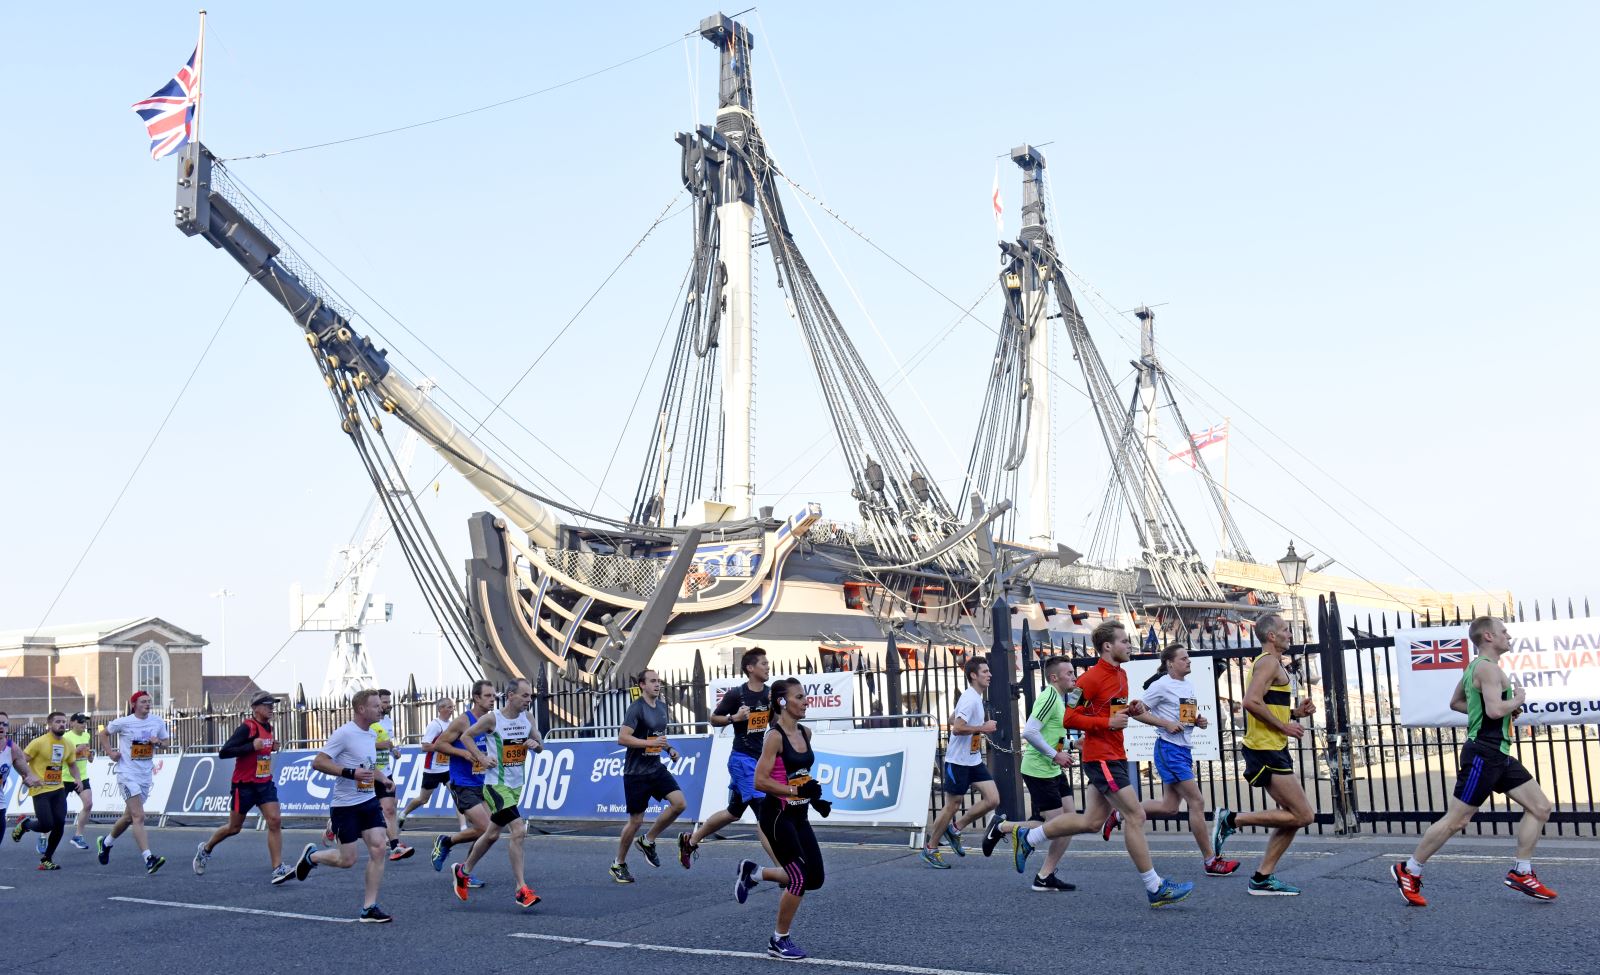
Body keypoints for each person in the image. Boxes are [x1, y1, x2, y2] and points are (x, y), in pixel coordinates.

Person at [1008, 621, 1195, 907]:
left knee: (1092, 822)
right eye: (1124, 641)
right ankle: (1154, 887)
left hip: (1115, 754)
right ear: (1107, 646)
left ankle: (1029, 837)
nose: (1129, 645)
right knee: (1136, 816)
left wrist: (1135, 712)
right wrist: (1106, 722)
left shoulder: (1121, 676)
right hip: (1101, 757)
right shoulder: (1089, 679)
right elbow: (1071, 718)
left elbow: (1120, 715)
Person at [1392, 616, 1556, 906]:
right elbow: (1494, 711)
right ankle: (1409, 868)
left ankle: (1522, 871)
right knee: (1458, 820)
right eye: (1503, 631)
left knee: (1541, 807)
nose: (1509, 636)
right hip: (1483, 753)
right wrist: (1516, 700)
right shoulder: (1487, 669)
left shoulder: (1474, 668)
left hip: (1499, 754)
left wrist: (1501, 711)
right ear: (1488, 637)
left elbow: (1456, 703)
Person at [1212, 613, 1318, 895]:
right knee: (1304, 815)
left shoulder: (1272, 664)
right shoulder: (1269, 662)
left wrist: (1295, 713)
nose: (1289, 634)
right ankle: (1232, 819)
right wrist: (1284, 725)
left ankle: (1262, 877)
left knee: (1292, 816)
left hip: (1273, 746)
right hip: (1265, 748)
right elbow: (1250, 701)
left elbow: (1267, 703)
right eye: (1285, 630)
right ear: (1272, 636)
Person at [733, 678, 830, 960]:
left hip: (800, 815)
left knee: (815, 879)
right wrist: (796, 790)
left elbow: (799, 775)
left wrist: (815, 797)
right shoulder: (774, 737)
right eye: (799, 697)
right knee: (798, 878)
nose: (805, 701)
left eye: (805, 696)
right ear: (783, 702)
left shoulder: (805, 732)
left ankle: (754, 873)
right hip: (776, 816)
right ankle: (779, 940)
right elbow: (760, 781)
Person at [1129, 644, 1239, 877]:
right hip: (1169, 749)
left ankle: (1122, 813)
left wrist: (1197, 721)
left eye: (1188, 658)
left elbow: (1184, 715)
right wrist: (1166, 724)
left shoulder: (1187, 685)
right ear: (1170, 663)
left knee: (1169, 808)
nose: (1189, 661)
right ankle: (1211, 861)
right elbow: (1138, 712)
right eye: (1183, 658)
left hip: (1182, 749)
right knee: (1197, 802)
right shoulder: (1160, 685)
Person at [294, 688, 394, 922]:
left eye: (381, 705)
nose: (381, 709)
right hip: (345, 806)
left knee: (379, 847)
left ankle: (369, 908)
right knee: (347, 860)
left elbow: (366, 765)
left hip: (368, 800)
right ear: (361, 709)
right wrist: (350, 773)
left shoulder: (371, 734)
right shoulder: (344, 734)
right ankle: (312, 856)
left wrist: (382, 778)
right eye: (376, 706)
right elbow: (318, 762)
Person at [982, 655, 1077, 890]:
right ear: (1054, 677)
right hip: (1038, 770)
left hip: (1051, 769)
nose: (1073, 677)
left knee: (1071, 822)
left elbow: (1049, 737)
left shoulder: (1058, 699)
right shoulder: (1048, 697)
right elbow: (1030, 732)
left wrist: (1072, 746)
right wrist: (1055, 755)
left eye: (1073, 672)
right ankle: (1003, 828)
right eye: (1069, 673)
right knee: (1058, 824)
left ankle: (1045, 876)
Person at [450, 677, 544, 908]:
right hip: (495, 786)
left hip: (515, 786)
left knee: (491, 834)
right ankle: (521, 889)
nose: (528, 700)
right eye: (524, 695)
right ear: (510, 696)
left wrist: (535, 745)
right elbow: (465, 736)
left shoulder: (527, 717)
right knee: (519, 830)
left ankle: (463, 871)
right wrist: (481, 758)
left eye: (530, 696)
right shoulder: (492, 719)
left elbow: (540, 744)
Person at [680, 647, 771, 868]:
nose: (768, 667)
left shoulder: (769, 693)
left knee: (733, 813)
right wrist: (734, 717)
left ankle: (690, 841)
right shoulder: (737, 694)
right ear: (750, 668)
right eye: (764, 664)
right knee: (765, 815)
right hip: (742, 760)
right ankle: (784, 870)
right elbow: (713, 719)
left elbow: (775, 723)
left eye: (768, 664)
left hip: (758, 760)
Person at [193, 692, 290, 883]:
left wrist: (270, 747)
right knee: (234, 827)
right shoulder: (247, 728)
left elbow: (261, 749)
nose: (271, 708)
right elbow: (224, 752)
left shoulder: (268, 726)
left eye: (272, 705)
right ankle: (206, 849)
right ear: (255, 708)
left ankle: (278, 868)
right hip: (244, 786)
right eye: (267, 705)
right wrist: (250, 747)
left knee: (275, 820)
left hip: (263, 783)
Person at [921, 657, 999, 868]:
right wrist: (983, 727)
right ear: (973, 675)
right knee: (952, 805)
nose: (989, 674)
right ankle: (931, 847)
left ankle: (955, 829)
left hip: (972, 760)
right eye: (984, 671)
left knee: (992, 799)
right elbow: (956, 728)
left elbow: (952, 719)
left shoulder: (973, 697)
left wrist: (970, 724)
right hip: (957, 762)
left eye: (988, 671)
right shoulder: (970, 698)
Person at [611, 669, 687, 883]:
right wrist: (650, 744)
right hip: (635, 773)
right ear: (642, 685)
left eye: (658, 681)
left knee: (679, 804)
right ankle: (619, 863)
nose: (657, 684)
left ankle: (648, 840)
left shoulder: (662, 708)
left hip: (655, 768)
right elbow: (623, 738)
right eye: (652, 681)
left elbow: (658, 738)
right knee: (635, 821)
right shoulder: (636, 709)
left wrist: (669, 749)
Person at [95, 691, 172, 874]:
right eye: (143, 702)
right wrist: (111, 753)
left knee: (129, 817)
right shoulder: (123, 722)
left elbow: (167, 742)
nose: (147, 704)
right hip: (126, 774)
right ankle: (148, 859)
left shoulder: (157, 721)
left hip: (145, 775)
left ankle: (105, 843)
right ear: (134, 704)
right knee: (139, 816)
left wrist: (158, 742)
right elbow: (103, 734)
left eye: (149, 702)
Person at [429, 680, 498, 882]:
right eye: (488, 696)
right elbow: (439, 745)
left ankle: (464, 872)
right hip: (462, 783)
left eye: (494, 696)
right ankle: (446, 841)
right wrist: (462, 752)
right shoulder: (462, 721)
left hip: (483, 783)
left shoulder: (490, 721)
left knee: (490, 834)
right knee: (485, 828)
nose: (492, 700)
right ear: (476, 698)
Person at [10, 711, 68, 869]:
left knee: (60, 822)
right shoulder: (38, 742)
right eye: (58, 721)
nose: (62, 724)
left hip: (58, 788)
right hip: (40, 789)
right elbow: (20, 760)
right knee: (47, 824)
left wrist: (77, 778)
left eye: (64, 721)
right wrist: (26, 777)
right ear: (49, 724)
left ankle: (46, 859)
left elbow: (72, 764)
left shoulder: (67, 743)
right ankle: (25, 825)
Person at [399, 698, 458, 831]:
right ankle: (403, 813)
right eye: (448, 707)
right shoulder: (435, 725)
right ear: (440, 709)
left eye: (452, 707)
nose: (451, 710)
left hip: (448, 768)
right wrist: (442, 747)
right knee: (423, 799)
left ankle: (464, 827)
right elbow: (425, 747)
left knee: (458, 796)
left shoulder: (452, 725)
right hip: (433, 768)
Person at [373, 689, 415, 862]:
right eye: (384, 702)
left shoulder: (388, 721)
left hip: (385, 772)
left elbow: (390, 742)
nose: (388, 705)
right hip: (367, 774)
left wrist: (394, 750)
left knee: (390, 808)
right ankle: (334, 824)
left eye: (389, 702)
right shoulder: (367, 723)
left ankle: (395, 845)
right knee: (360, 812)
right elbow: (359, 745)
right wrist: (380, 745)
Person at [59, 713, 93, 851]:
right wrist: (74, 751)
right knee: (58, 811)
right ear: (72, 723)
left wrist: (90, 755)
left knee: (88, 804)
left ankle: (78, 836)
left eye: (85, 722)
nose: (84, 725)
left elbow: (88, 755)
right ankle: (44, 836)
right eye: (80, 722)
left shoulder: (86, 736)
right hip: (66, 777)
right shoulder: (65, 737)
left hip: (82, 776)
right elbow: (59, 757)